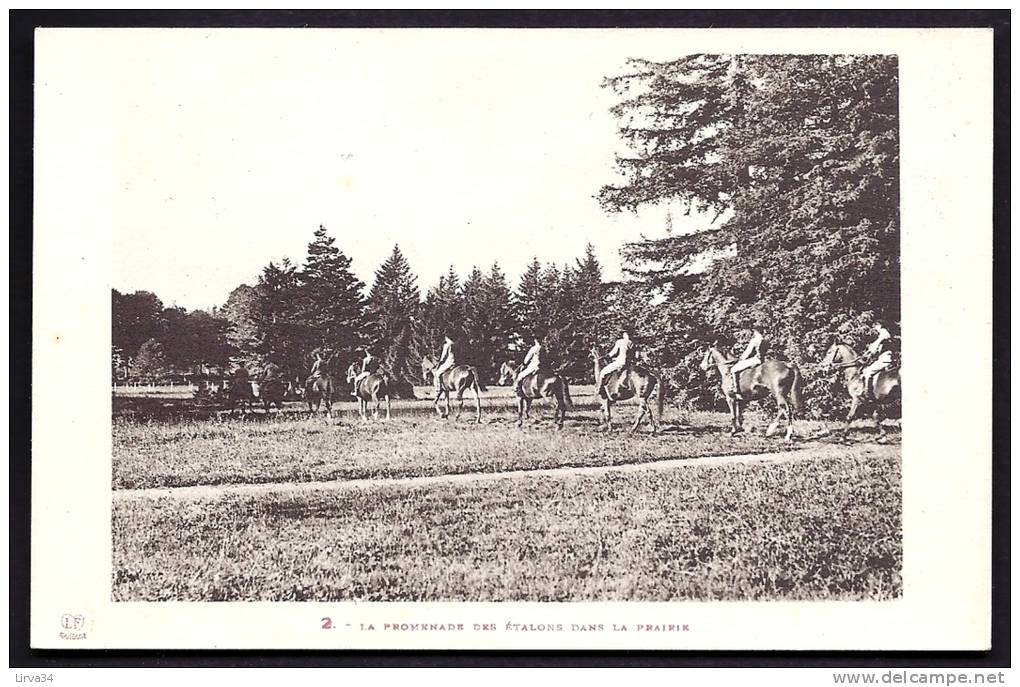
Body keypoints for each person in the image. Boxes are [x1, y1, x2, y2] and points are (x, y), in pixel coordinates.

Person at [861, 321, 895, 397]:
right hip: (883, 358)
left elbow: (879, 342)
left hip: (885, 359)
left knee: (868, 371)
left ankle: (867, 391)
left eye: (875, 327)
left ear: (879, 326)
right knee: (866, 370)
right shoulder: (883, 334)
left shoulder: (883, 332)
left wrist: (872, 348)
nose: (875, 329)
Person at [730, 327, 766, 400]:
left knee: (733, 369)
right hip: (763, 360)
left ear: (755, 332)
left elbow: (748, 352)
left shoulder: (754, 340)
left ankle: (736, 391)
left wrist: (741, 359)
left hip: (755, 360)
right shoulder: (765, 340)